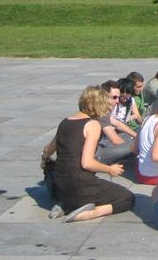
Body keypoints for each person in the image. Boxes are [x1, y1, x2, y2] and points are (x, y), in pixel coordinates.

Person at [40, 85, 134, 222]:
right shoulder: (92, 125)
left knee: (81, 189)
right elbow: (87, 163)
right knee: (127, 198)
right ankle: (89, 213)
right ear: (98, 105)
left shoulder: (65, 122)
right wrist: (110, 169)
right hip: (81, 187)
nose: (109, 108)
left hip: (60, 188)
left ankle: (67, 206)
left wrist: (44, 160)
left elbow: (47, 150)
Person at [97, 80, 137, 164]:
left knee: (128, 135)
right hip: (95, 154)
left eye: (118, 97)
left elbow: (118, 124)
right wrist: (138, 146)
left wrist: (136, 136)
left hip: (100, 144)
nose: (118, 101)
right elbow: (115, 140)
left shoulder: (102, 109)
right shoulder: (101, 114)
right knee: (131, 147)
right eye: (114, 97)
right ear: (104, 96)